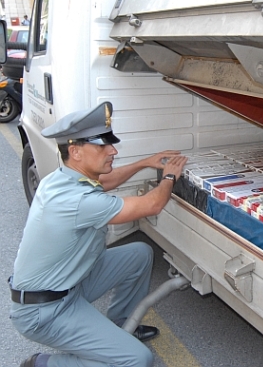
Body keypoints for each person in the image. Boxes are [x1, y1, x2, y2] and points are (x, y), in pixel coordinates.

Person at [9, 102, 188, 367]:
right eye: (102, 146)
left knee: (138, 254)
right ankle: (42, 363)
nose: (113, 150)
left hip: (69, 284)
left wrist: (146, 162)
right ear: (76, 152)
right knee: (137, 360)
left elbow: (108, 181)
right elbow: (152, 205)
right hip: (45, 311)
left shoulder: (61, 178)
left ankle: (121, 326)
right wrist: (169, 176)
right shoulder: (79, 200)